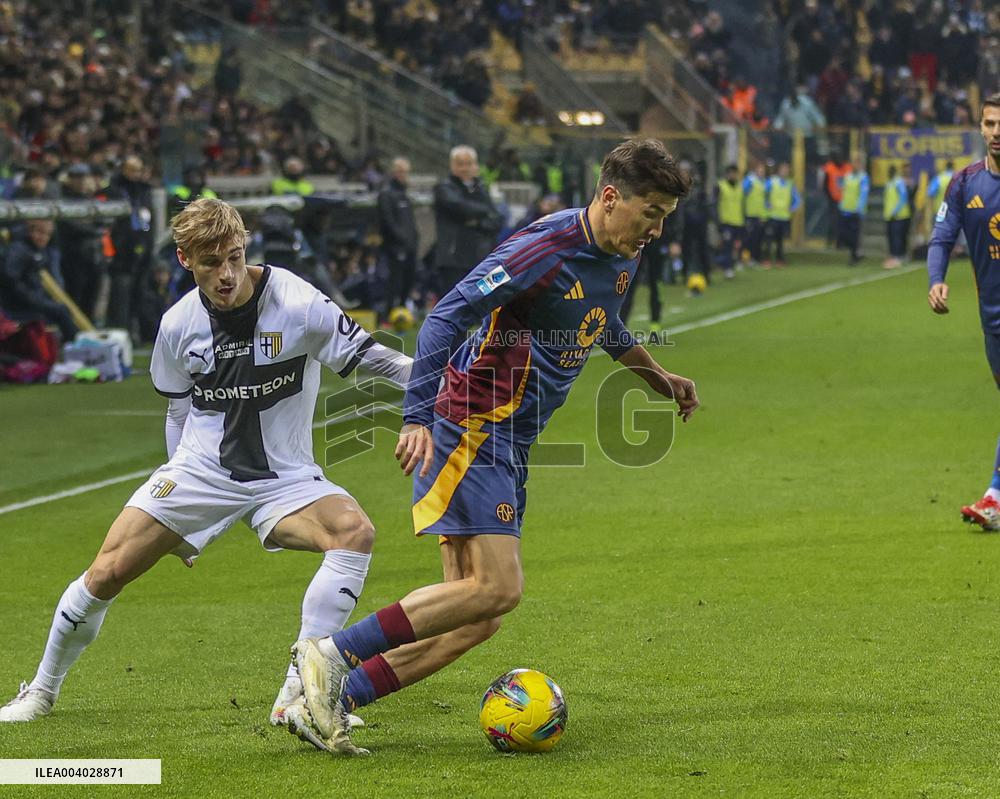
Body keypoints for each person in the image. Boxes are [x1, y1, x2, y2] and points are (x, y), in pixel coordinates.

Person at [289, 139, 700, 755]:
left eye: (666, 215)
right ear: (611, 197)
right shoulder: (543, 249)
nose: (657, 229)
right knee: (499, 589)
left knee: (477, 615)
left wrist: (656, 376)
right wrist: (416, 418)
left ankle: (327, 701)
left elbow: (601, 319)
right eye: (651, 212)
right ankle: (331, 654)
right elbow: (445, 317)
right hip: (473, 423)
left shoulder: (621, 250)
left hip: (510, 438)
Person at [0, 200, 411, 753]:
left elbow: (373, 358)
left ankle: (300, 693)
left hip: (285, 477)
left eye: (235, 257)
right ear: (185, 260)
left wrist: (445, 380)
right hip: (199, 470)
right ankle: (41, 690)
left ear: (246, 250)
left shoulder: (298, 302)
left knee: (354, 532)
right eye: (211, 261)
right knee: (106, 572)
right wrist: (180, 509)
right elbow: (177, 408)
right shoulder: (177, 325)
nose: (226, 273)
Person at [927, 93, 1000, 531]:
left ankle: (994, 495)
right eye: (990, 123)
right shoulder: (965, 185)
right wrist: (936, 278)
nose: (997, 132)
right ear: (980, 127)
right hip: (993, 320)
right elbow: (940, 239)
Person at [432, 145, 502, 296]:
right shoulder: (444, 188)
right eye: (460, 163)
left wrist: (476, 222)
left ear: (476, 166)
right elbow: (459, 207)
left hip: (479, 258)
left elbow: (496, 221)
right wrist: (484, 212)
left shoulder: (482, 189)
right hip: (453, 259)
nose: (464, 168)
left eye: (469, 163)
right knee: (453, 305)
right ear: (452, 165)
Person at [99, 155, 154, 333]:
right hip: (120, 251)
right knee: (120, 294)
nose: (135, 173)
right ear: (123, 169)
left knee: (139, 293)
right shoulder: (113, 190)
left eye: (137, 169)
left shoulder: (144, 191)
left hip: (142, 248)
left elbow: (148, 217)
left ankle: (135, 332)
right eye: (131, 169)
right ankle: (119, 330)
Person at [0, 219, 77, 341]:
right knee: (61, 312)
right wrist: (34, 299)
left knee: (62, 311)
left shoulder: (34, 250)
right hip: (20, 306)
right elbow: (11, 282)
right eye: (41, 233)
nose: (44, 238)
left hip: (32, 300)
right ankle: (74, 347)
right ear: (31, 231)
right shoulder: (18, 250)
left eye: (47, 235)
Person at [58, 163, 106, 319]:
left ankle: (88, 333)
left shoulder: (90, 199)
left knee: (91, 297)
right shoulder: (63, 199)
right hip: (73, 256)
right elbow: (69, 226)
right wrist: (91, 229)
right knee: (74, 297)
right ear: (70, 179)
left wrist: (90, 227)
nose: (80, 181)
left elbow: (104, 222)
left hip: (94, 255)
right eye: (76, 177)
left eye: (83, 177)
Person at [376, 157, 419, 312]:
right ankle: (388, 312)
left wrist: (414, 239)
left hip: (409, 246)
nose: (403, 175)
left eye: (405, 172)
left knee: (408, 279)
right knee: (394, 280)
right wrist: (399, 238)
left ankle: (401, 310)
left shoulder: (404, 194)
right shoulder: (387, 193)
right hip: (394, 246)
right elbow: (387, 221)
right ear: (393, 172)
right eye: (400, 171)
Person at [764, 162, 801, 267]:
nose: (785, 171)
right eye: (783, 169)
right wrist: (767, 204)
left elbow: (797, 199)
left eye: (786, 169)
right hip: (772, 216)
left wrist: (792, 208)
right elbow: (764, 194)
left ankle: (780, 260)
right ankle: (767, 259)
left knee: (780, 240)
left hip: (784, 217)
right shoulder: (771, 181)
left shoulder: (790, 184)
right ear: (779, 170)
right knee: (769, 239)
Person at [838, 154, 869, 265]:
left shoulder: (863, 177)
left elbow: (864, 194)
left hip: (856, 211)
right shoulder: (847, 176)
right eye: (855, 162)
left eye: (858, 163)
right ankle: (856, 252)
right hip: (846, 209)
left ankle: (854, 256)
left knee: (854, 234)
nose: (856, 165)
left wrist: (859, 207)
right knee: (845, 233)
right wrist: (841, 203)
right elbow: (843, 190)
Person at [715, 164, 744, 278]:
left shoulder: (739, 187)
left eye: (734, 173)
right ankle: (727, 268)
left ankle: (734, 264)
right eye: (731, 173)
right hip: (726, 222)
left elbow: (742, 204)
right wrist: (718, 221)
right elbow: (715, 204)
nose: (732, 175)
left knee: (735, 246)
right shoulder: (720, 186)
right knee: (727, 246)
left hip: (738, 221)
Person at [883, 164, 911, 269]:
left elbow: (903, 197)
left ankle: (898, 257)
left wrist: (895, 210)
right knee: (891, 236)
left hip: (900, 215)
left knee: (898, 237)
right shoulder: (889, 183)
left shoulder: (898, 182)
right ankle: (893, 256)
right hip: (889, 215)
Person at [822, 151, 852, 248]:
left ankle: (841, 243)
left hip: (846, 201)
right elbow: (825, 185)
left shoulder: (848, 168)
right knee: (833, 221)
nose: (840, 160)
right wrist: (830, 197)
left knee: (844, 222)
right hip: (833, 200)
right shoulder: (829, 167)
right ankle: (830, 241)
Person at [742, 162, 768, 266]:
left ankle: (754, 259)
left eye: (763, 170)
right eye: (760, 170)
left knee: (758, 239)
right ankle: (744, 259)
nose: (761, 172)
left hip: (761, 216)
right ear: (755, 170)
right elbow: (742, 194)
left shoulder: (765, 182)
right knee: (748, 238)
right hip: (750, 214)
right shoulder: (749, 181)